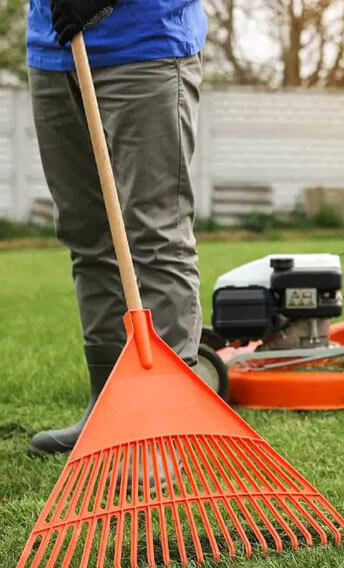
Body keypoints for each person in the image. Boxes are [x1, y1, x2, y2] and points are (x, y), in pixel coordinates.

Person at [27, 0, 207, 455]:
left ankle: (167, 428)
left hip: (145, 47)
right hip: (51, 50)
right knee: (87, 237)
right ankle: (107, 409)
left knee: (156, 235)